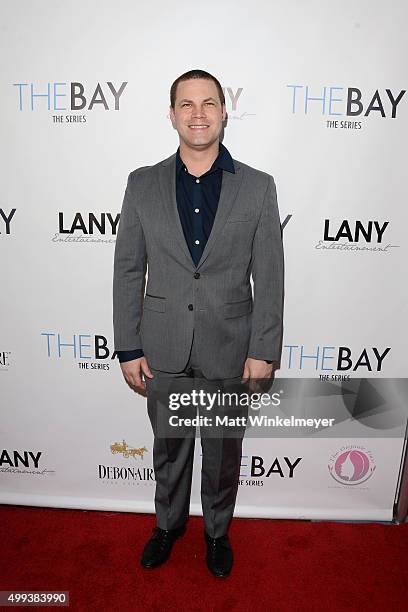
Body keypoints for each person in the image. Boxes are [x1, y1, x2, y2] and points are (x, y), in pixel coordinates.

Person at [113, 69, 284, 577]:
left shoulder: (257, 186)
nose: (198, 113)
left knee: (223, 454)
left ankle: (216, 533)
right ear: (171, 115)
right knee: (169, 451)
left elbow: (269, 275)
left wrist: (264, 349)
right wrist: (127, 346)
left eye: (208, 103)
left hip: (231, 348)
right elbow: (128, 268)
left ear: (224, 112)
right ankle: (167, 527)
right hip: (163, 347)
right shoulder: (141, 184)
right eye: (186, 104)